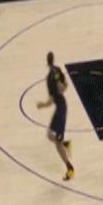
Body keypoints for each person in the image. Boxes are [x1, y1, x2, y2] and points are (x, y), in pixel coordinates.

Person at [36, 52, 74, 180]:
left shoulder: (49, 79)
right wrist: (62, 90)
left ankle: (70, 168)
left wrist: (41, 105)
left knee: (57, 143)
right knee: (49, 134)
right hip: (61, 107)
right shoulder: (58, 69)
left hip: (61, 109)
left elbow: (50, 101)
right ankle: (65, 144)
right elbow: (66, 85)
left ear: (47, 62)